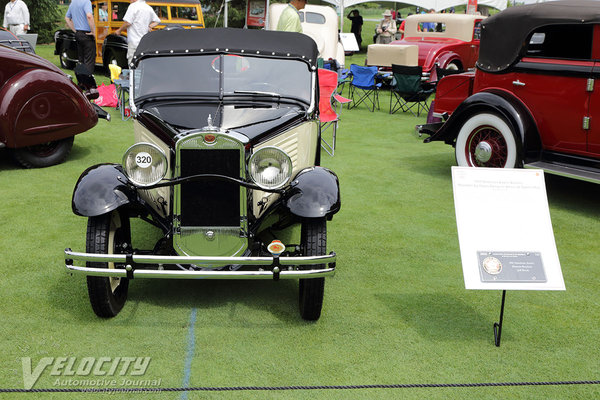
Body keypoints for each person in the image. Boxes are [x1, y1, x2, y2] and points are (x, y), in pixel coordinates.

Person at [115, 0, 160, 65]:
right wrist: (150, 26)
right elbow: (157, 21)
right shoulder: (148, 7)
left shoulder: (133, 6)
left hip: (134, 41)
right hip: (144, 42)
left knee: (133, 63)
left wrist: (119, 30)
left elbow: (128, 23)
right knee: (143, 63)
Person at [65, 0, 96, 74]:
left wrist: (75, 30)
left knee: (81, 60)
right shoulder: (86, 1)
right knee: (89, 60)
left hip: (78, 33)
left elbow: (67, 18)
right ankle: (87, 82)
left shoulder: (73, 2)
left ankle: (81, 82)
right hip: (87, 34)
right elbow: (89, 16)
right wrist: (93, 31)